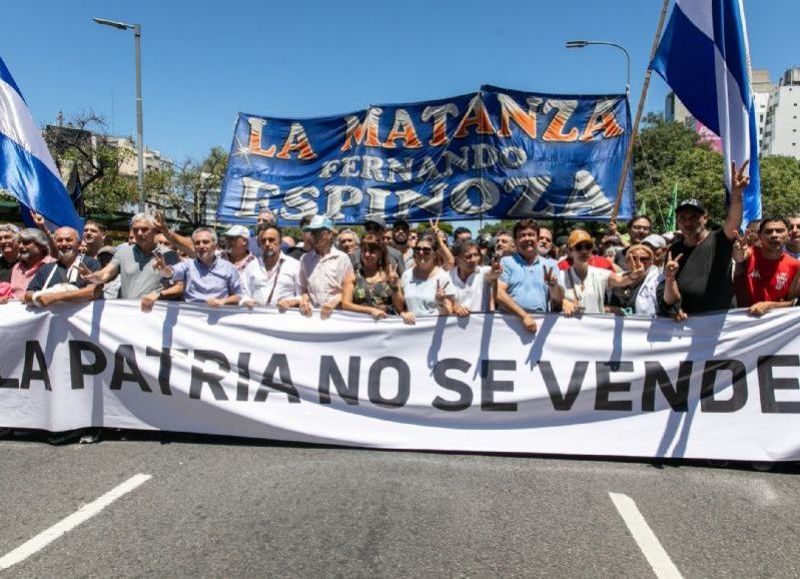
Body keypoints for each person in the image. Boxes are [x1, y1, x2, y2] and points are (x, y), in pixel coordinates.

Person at [658, 161, 749, 318]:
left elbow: (733, 221)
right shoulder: (674, 250)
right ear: (678, 221)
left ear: (705, 218)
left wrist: (737, 195)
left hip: (720, 323)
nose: (688, 222)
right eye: (683, 218)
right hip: (686, 325)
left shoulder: (719, 240)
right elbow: (671, 294)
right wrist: (673, 309)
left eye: (694, 217)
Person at [81, 213, 180, 299]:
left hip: (156, 314)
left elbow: (180, 287)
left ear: (155, 231)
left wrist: (159, 295)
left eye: (144, 229)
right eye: (135, 229)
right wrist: (93, 277)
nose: (139, 233)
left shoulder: (170, 255)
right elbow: (106, 274)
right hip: (128, 315)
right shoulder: (122, 251)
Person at [142, 227, 243, 311]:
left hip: (218, 320)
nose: (201, 246)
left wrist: (222, 301)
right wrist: (163, 268)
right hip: (192, 322)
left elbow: (239, 296)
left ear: (215, 246)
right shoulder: (187, 265)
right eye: (197, 243)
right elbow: (170, 273)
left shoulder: (229, 268)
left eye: (205, 242)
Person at [495, 219, 562, 332]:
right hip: (510, 326)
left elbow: (558, 303)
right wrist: (524, 316)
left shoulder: (551, 265)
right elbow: (498, 293)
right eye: (522, 236)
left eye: (531, 235)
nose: (527, 239)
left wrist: (553, 285)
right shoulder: (506, 262)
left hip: (540, 325)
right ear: (516, 241)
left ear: (537, 238)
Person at [558, 230, 645, 315]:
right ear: (570, 251)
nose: (584, 251)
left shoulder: (600, 274)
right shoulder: (561, 276)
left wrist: (633, 275)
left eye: (588, 246)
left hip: (595, 327)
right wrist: (563, 301)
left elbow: (620, 281)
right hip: (569, 327)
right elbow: (554, 299)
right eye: (579, 247)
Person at [733, 217, 800, 316]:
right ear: (760, 236)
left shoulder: (795, 265)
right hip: (742, 324)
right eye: (768, 232)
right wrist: (738, 251)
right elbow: (739, 257)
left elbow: (793, 302)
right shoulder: (750, 255)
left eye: (779, 231)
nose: (774, 235)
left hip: (774, 327)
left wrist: (770, 305)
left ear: (788, 234)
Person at [24, 227, 103, 307]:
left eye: (69, 240)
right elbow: (27, 295)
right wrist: (40, 297)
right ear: (54, 244)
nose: (64, 244)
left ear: (79, 244)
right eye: (59, 240)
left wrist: (55, 297)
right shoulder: (46, 269)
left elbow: (93, 291)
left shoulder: (91, 264)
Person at [295, 216, 353, 318]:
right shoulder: (305, 259)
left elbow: (347, 289)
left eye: (319, 232)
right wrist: (304, 298)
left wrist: (333, 302)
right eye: (312, 233)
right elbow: (303, 288)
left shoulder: (342, 258)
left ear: (329, 234)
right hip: (312, 315)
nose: (315, 236)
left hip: (337, 315)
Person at [341, 234, 404, 319]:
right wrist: (370, 310)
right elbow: (346, 305)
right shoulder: (353, 276)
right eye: (364, 251)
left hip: (387, 326)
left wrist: (395, 287)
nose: (367, 255)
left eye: (372, 251)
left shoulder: (390, 275)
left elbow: (400, 308)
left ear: (380, 253)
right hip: (362, 326)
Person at [240, 224, 301, 308]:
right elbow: (243, 294)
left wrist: (291, 302)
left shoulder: (294, 265)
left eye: (271, 240)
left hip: (284, 317)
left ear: (280, 242)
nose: (267, 244)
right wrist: (246, 301)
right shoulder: (251, 266)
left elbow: (302, 296)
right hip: (256, 317)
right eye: (263, 241)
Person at [400, 235, 454, 324]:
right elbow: (401, 306)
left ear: (435, 254)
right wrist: (403, 313)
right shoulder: (406, 275)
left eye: (426, 250)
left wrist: (441, 302)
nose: (421, 253)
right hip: (410, 330)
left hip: (432, 330)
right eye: (417, 249)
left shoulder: (443, 277)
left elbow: (449, 312)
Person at [449, 240, 501, 316]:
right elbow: (445, 301)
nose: (473, 260)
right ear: (457, 259)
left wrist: (495, 272)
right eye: (468, 257)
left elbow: (491, 274)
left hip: (479, 324)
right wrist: (455, 307)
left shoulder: (483, 272)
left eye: (476, 255)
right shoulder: (448, 276)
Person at [608, 244, 662, 316]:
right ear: (627, 260)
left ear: (651, 262)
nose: (638, 262)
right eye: (633, 258)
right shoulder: (617, 278)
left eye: (643, 259)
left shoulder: (657, 281)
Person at [5, 228, 54, 301]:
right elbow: (13, 294)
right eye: (19, 243)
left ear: (42, 246)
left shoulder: (53, 265)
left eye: (26, 242)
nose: (21, 246)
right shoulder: (17, 267)